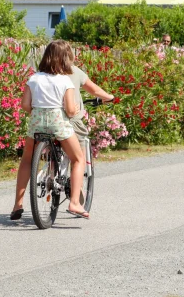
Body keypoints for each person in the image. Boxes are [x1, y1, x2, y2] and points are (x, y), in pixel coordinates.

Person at [10, 40, 89, 220]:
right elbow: (69, 110)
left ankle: (17, 204)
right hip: (57, 122)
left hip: (36, 122)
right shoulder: (64, 81)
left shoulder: (34, 78)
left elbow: (25, 105)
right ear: (65, 59)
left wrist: (38, 112)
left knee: (27, 160)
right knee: (78, 158)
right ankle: (75, 202)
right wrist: (74, 110)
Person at [67, 64, 115, 205]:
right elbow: (93, 89)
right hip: (71, 118)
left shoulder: (44, 73)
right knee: (79, 154)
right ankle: (78, 187)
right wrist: (109, 97)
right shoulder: (73, 70)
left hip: (45, 119)